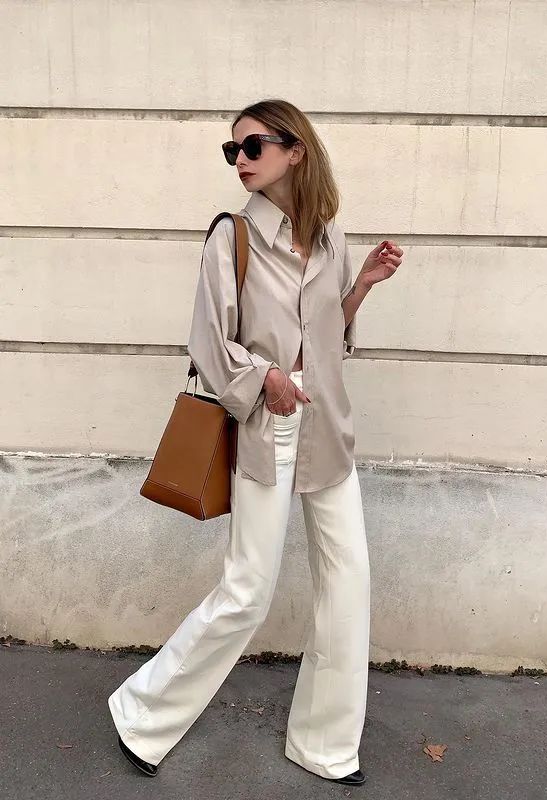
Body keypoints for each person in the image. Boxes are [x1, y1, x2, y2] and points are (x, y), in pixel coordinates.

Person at [107, 98, 403, 787]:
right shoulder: (231, 238)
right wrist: (264, 377)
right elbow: (209, 343)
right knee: (247, 590)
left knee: (349, 583)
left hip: (327, 426)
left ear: (295, 150)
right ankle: (140, 713)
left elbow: (327, 338)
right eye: (232, 150)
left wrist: (361, 285)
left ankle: (325, 745)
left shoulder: (329, 238)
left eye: (252, 146)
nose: (239, 159)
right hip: (268, 425)